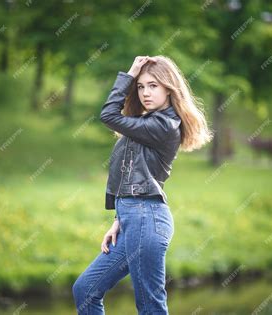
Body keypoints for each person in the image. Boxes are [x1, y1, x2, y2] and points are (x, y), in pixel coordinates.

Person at [72, 55, 213, 314]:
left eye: (153, 85)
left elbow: (108, 115)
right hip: (134, 219)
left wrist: (128, 75)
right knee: (85, 290)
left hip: (146, 219)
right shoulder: (148, 123)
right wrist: (119, 218)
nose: (145, 92)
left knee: (150, 306)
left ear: (169, 88)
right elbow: (138, 174)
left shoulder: (164, 124)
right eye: (140, 86)